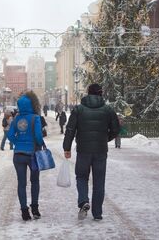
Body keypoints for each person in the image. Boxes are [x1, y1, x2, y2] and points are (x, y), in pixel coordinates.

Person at [63, 83, 119, 221]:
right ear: (101, 93)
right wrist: (105, 138)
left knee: (81, 177)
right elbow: (116, 129)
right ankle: (97, 213)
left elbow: (70, 129)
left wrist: (67, 147)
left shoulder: (78, 109)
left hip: (83, 150)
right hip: (100, 151)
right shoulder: (108, 110)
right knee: (99, 181)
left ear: (88, 93)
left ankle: (83, 201)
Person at [7, 90, 44, 221]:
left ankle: (24, 211)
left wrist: (19, 143)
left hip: (18, 155)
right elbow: (39, 137)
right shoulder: (35, 118)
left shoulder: (16, 119)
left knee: (21, 183)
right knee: (35, 182)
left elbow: (10, 135)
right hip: (33, 155)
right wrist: (40, 143)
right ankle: (35, 209)